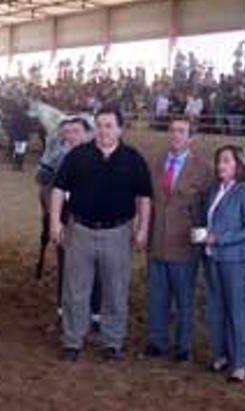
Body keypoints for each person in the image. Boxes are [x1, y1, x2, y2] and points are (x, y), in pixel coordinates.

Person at [50, 106, 152, 362]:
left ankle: (112, 341)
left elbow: (144, 197)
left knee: (116, 290)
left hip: (118, 232)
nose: (104, 131)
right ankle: (73, 340)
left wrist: (143, 228)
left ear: (120, 128)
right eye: (100, 125)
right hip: (80, 230)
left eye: (109, 125)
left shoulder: (133, 159)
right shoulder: (78, 156)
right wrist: (55, 222)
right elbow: (58, 190)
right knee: (75, 289)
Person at [142, 115, 214, 362]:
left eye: (181, 131)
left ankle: (183, 345)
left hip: (185, 244)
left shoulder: (204, 170)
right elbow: (147, 200)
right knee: (157, 295)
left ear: (191, 137)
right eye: (172, 130)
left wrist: (203, 236)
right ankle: (157, 340)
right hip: (157, 240)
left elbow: (208, 206)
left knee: (184, 298)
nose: (175, 135)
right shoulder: (156, 162)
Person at [200, 145, 245, 383]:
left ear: (238, 166)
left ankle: (240, 363)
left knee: (236, 309)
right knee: (216, 307)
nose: (220, 166)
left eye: (226, 161)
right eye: (219, 161)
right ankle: (221, 354)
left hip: (235, 258)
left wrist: (221, 239)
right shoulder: (214, 190)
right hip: (212, 255)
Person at [36, 116, 101, 327]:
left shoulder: (100, 156)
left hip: (94, 220)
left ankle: (95, 314)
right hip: (66, 217)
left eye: (76, 132)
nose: (71, 136)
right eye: (68, 132)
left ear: (89, 133)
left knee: (95, 267)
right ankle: (64, 311)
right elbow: (42, 179)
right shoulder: (58, 154)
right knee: (66, 266)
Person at [10, 105, 32, 171]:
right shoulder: (27, 117)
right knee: (22, 152)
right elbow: (29, 128)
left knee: (16, 151)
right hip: (24, 136)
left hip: (17, 136)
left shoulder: (15, 117)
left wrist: (13, 135)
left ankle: (14, 166)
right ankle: (20, 166)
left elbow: (12, 127)